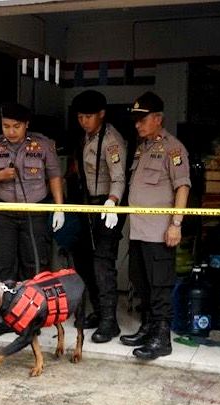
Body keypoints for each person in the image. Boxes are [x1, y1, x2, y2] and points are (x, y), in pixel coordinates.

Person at [0, 102, 65, 337]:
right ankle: (4, 318)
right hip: (5, 212)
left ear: (27, 125)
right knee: (3, 266)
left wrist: (59, 208)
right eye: (6, 126)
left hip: (34, 212)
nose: (11, 131)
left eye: (16, 126)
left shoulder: (43, 145)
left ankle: (34, 317)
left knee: (34, 265)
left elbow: (55, 175)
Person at [121, 91, 190, 360]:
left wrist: (176, 224)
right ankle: (147, 328)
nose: (137, 125)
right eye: (135, 120)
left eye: (142, 119)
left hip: (160, 231)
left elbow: (182, 187)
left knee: (160, 285)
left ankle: (162, 338)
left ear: (158, 119)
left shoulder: (173, 149)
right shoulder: (143, 147)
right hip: (139, 231)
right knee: (142, 282)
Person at [69, 90, 127, 343]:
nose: (83, 121)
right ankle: (98, 311)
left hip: (106, 208)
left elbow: (119, 177)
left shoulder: (112, 140)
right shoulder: (85, 137)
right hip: (86, 206)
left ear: (102, 114)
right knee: (83, 262)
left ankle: (109, 321)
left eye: (88, 116)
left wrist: (112, 203)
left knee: (103, 263)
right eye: (80, 116)